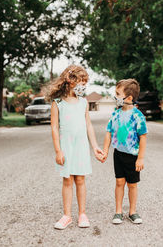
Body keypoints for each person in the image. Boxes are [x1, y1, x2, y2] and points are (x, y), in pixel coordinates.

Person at [48, 65, 104, 230]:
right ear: (70, 81)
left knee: (80, 179)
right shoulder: (57, 103)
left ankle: (82, 214)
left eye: (85, 83)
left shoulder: (84, 103)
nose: (83, 86)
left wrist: (94, 147)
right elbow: (54, 128)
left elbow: (88, 125)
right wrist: (58, 150)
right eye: (80, 82)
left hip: (80, 146)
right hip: (66, 146)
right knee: (67, 180)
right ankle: (67, 215)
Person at [101, 79, 148, 225]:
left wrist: (140, 158)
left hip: (132, 155)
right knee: (119, 182)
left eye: (117, 93)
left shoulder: (138, 116)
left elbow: (143, 137)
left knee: (132, 184)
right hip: (118, 154)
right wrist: (105, 151)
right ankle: (118, 211)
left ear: (128, 98)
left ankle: (132, 211)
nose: (115, 96)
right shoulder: (115, 114)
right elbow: (108, 133)